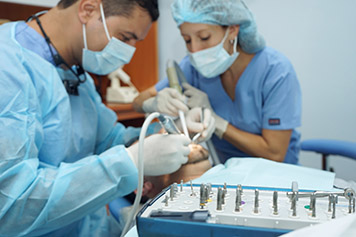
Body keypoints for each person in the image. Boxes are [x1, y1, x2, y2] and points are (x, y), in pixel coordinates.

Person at [0, 0, 214, 236]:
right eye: (124, 37)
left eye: (135, 42)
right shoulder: (7, 68)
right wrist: (130, 161)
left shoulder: (76, 75)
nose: (129, 54)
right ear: (88, 9)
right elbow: (11, 205)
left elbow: (109, 140)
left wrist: (171, 133)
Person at [133, 0, 302, 164]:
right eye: (187, 40)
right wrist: (153, 103)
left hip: (276, 176)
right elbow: (138, 101)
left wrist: (218, 122)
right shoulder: (192, 67)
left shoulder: (275, 71)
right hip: (226, 173)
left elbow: (274, 153)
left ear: (232, 30)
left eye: (204, 37)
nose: (195, 50)